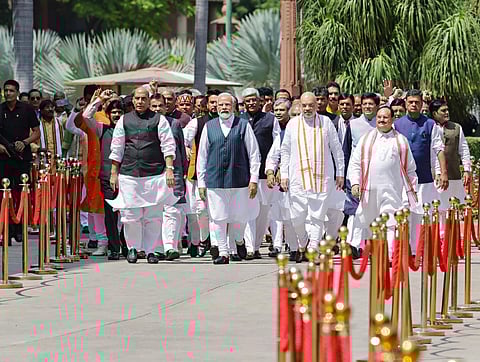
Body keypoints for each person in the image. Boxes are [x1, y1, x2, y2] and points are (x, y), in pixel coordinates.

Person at [108, 87, 178, 264]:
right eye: (137, 98)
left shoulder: (159, 120)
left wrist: (169, 168)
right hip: (129, 175)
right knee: (131, 216)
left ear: (148, 101)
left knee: (153, 216)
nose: (139, 102)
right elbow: (117, 148)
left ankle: (150, 250)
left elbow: (168, 146)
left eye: (143, 99)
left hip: (154, 175)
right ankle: (133, 248)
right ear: (133, 101)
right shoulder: (124, 120)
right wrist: (113, 173)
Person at [197, 93, 261, 264]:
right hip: (215, 180)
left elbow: (254, 154)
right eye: (221, 105)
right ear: (216, 107)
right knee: (218, 217)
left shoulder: (243, 125)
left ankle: (239, 241)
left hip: (239, 180)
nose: (224, 108)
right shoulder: (209, 127)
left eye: (227, 104)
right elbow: (202, 156)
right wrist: (201, 182)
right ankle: (223, 252)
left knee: (238, 217)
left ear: (234, 107)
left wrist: (253, 179)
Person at [280, 92, 344, 262]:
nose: (307, 108)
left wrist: (340, 173)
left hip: (321, 178)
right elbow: (285, 150)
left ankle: (313, 248)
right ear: (300, 106)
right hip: (297, 178)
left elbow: (337, 149)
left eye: (311, 105)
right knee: (296, 217)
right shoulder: (293, 124)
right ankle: (304, 241)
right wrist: (284, 174)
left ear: (317, 106)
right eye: (304, 105)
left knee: (317, 216)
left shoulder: (326, 122)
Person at [348, 106, 417, 254]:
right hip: (370, 190)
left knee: (391, 221)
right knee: (371, 223)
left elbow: (410, 169)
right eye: (379, 117)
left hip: (392, 189)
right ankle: (374, 252)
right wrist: (355, 183)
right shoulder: (366, 139)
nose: (381, 120)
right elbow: (355, 163)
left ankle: (390, 254)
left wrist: (411, 190)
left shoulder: (400, 141)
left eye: (385, 117)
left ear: (392, 119)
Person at [394, 89, 448, 253]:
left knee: (424, 214)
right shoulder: (397, 124)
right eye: (410, 102)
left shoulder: (431, 124)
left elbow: (439, 149)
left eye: (417, 102)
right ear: (405, 103)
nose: (414, 105)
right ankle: (404, 248)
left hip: (424, 178)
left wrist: (443, 172)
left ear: (421, 104)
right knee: (404, 212)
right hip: (401, 178)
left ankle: (421, 248)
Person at [81, 89, 127, 260]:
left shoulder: (130, 129)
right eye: (113, 112)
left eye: (119, 112)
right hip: (107, 177)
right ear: (108, 114)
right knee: (110, 215)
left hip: (128, 178)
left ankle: (128, 246)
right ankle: (114, 248)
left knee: (127, 216)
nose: (116, 115)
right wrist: (98, 100)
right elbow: (86, 117)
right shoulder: (102, 129)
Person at [241, 87, 280, 259]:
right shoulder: (238, 120)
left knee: (263, 212)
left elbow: (278, 145)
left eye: (253, 100)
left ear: (260, 101)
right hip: (244, 174)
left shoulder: (271, 120)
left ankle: (256, 247)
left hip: (265, 174)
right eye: (247, 100)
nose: (251, 103)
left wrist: (275, 168)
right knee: (248, 211)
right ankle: (249, 247)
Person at [0, 80, 40, 243]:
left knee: (21, 193)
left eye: (11, 90)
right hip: (4, 158)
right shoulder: (0, 109)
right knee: (5, 193)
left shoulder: (27, 109)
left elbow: (37, 132)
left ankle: (20, 229)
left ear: (17, 92)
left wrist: (24, 142)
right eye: (6, 90)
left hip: (22, 157)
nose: (8, 93)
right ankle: (6, 230)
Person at [151, 94, 188, 261]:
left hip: (173, 173)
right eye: (154, 106)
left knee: (173, 210)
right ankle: (157, 247)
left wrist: (181, 173)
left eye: (160, 106)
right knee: (155, 212)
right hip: (152, 174)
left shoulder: (174, 124)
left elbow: (180, 150)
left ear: (167, 108)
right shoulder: (146, 125)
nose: (158, 109)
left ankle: (171, 246)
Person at [265, 98, 299, 261]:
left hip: (308, 182)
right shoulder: (285, 134)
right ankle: (293, 248)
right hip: (287, 183)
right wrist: (271, 171)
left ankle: (305, 246)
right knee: (287, 216)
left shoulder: (317, 133)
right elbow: (273, 156)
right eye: (295, 115)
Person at [430, 99, 471, 211]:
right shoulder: (429, 128)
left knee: (455, 208)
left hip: (454, 175)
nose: (447, 112)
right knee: (437, 210)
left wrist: (467, 170)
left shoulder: (456, 128)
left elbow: (463, 149)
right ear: (434, 113)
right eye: (443, 110)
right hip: (434, 177)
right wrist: (438, 172)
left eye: (447, 110)